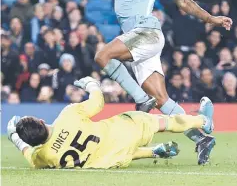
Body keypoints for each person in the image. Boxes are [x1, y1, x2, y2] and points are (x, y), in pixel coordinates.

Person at [44, 0, 232, 165]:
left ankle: (141, 98)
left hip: (148, 33)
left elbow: (183, 1)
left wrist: (211, 18)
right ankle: (201, 132)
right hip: (135, 40)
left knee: (103, 56)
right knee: (162, 100)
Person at [7, 77, 215, 169]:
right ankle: (203, 121)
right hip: (124, 131)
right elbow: (98, 102)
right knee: (164, 122)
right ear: (41, 120)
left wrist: (16, 139)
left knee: (111, 150)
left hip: (112, 160)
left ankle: (154, 151)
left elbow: (30, 156)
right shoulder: (68, 115)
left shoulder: (43, 156)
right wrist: (91, 84)